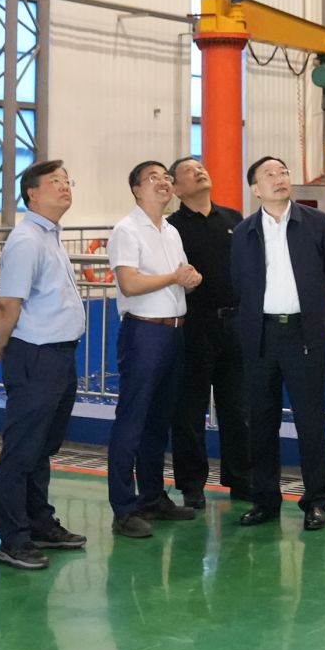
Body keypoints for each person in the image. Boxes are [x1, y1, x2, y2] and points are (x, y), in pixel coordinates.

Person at [231, 156, 325, 532]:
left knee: (311, 422)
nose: (279, 178)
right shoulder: (243, 232)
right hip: (260, 336)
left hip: (304, 334)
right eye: (269, 174)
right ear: (255, 189)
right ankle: (265, 500)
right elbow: (239, 284)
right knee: (261, 422)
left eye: (283, 172)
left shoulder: (316, 223)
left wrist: (308, 311)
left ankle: (316, 502)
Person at [0, 159, 89, 571]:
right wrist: (1, 345)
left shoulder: (50, 236)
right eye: (55, 182)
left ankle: (39, 523)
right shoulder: (27, 239)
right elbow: (8, 302)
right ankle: (13, 539)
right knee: (22, 450)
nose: (65, 187)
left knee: (42, 447)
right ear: (32, 193)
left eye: (67, 180)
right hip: (35, 355)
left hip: (59, 355)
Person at [105, 161, 203, 538]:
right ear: (136, 189)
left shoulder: (171, 231)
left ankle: (152, 496)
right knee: (131, 421)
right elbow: (129, 283)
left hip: (175, 332)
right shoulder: (126, 230)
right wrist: (174, 277)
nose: (163, 182)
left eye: (166, 177)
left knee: (159, 422)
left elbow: (178, 278)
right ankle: (123, 507)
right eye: (153, 178)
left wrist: (189, 279)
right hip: (144, 333)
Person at [167, 155, 251, 509]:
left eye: (200, 166)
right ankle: (191, 485)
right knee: (189, 409)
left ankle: (242, 479)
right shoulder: (171, 228)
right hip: (194, 326)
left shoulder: (233, 219)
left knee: (238, 407)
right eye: (188, 171)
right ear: (176, 188)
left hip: (234, 324)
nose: (199, 171)